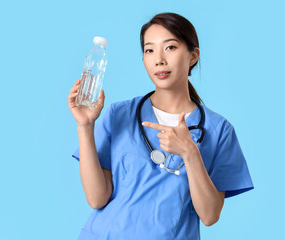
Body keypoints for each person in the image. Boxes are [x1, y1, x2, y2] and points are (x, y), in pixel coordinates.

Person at [68, 12, 254, 240]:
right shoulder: (120, 114)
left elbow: (210, 215)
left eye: (170, 48)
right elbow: (97, 199)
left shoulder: (219, 130)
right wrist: (86, 126)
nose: (159, 59)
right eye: (149, 50)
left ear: (193, 56)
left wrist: (189, 152)